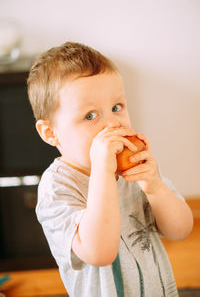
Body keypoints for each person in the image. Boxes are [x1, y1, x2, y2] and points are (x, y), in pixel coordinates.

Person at [27, 42, 193, 297]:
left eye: (117, 108)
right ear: (50, 133)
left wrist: (155, 187)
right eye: (90, 116)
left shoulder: (135, 169)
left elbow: (180, 230)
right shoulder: (56, 189)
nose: (112, 123)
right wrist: (103, 173)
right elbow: (100, 253)